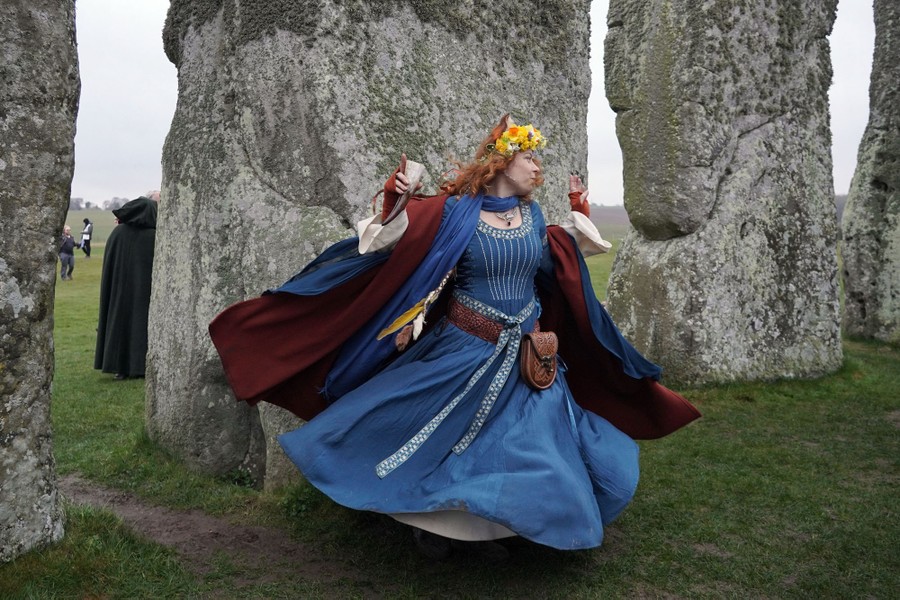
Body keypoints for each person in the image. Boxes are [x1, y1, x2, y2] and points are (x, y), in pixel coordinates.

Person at [209, 115, 700, 560]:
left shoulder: (534, 221)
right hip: (462, 349)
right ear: (502, 161)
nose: (537, 168)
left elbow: (567, 263)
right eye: (530, 157)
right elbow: (393, 239)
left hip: (529, 357)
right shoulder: (455, 215)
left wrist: (580, 211)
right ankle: (438, 528)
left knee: (528, 446)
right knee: (441, 440)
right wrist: (398, 198)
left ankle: (495, 529)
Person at [94, 194, 158, 380]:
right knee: (140, 325)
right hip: (143, 294)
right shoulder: (153, 237)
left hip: (118, 292)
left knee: (119, 324)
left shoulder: (117, 234)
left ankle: (118, 367)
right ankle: (139, 366)